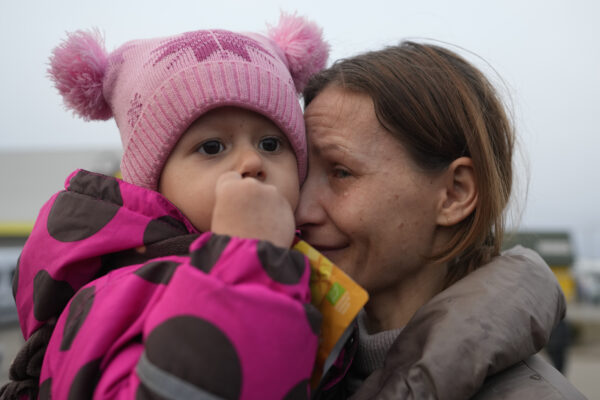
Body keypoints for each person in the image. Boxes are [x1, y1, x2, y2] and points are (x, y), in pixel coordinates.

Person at [2, 13, 328, 399]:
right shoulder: (121, 288)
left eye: (271, 144)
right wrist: (250, 264)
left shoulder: (300, 261)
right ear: (153, 181)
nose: (252, 163)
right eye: (211, 147)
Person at [295, 41, 586, 399]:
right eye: (303, 172)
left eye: (341, 172)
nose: (301, 210)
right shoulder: (301, 370)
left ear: (455, 194)